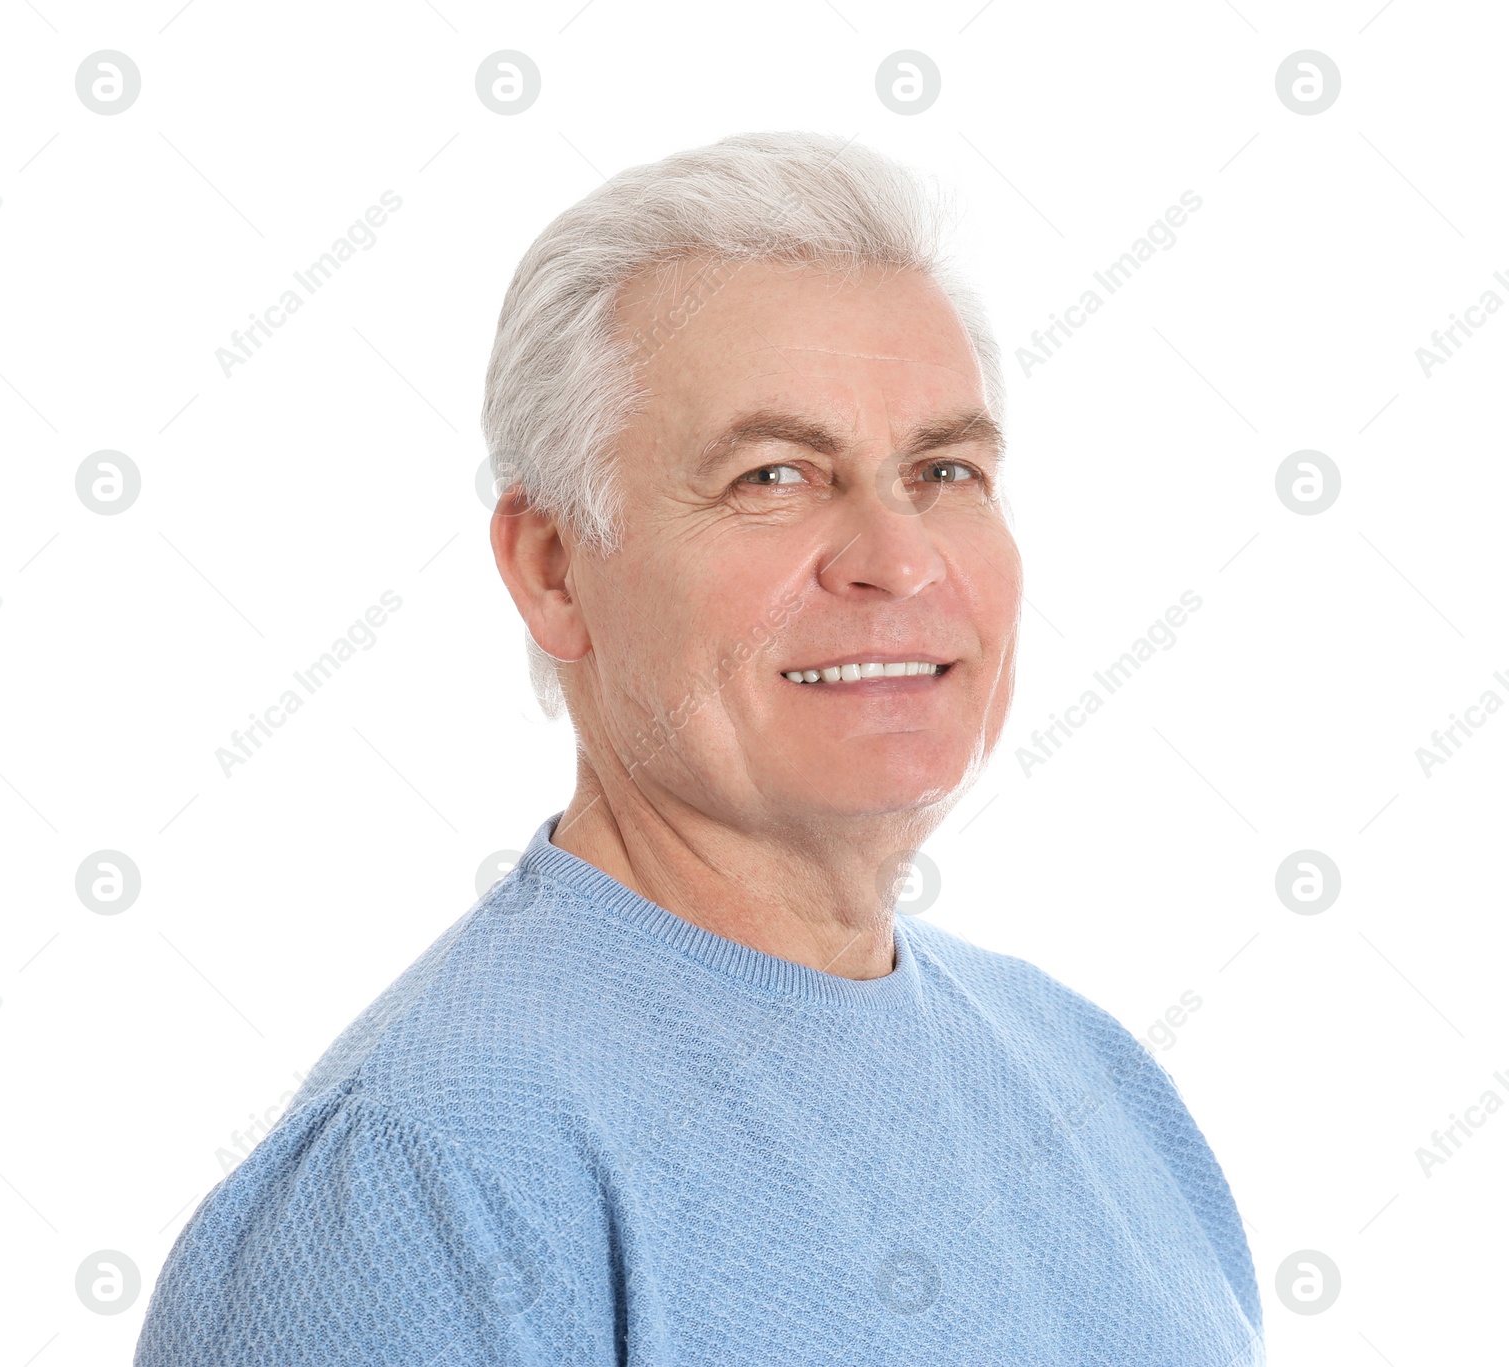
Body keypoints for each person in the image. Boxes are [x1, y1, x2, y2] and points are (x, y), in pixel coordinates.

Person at [134, 131, 1263, 1365]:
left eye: (943, 469)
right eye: (773, 475)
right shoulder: (422, 1185)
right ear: (553, 568)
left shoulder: (1097, 1083)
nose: (895, 558)